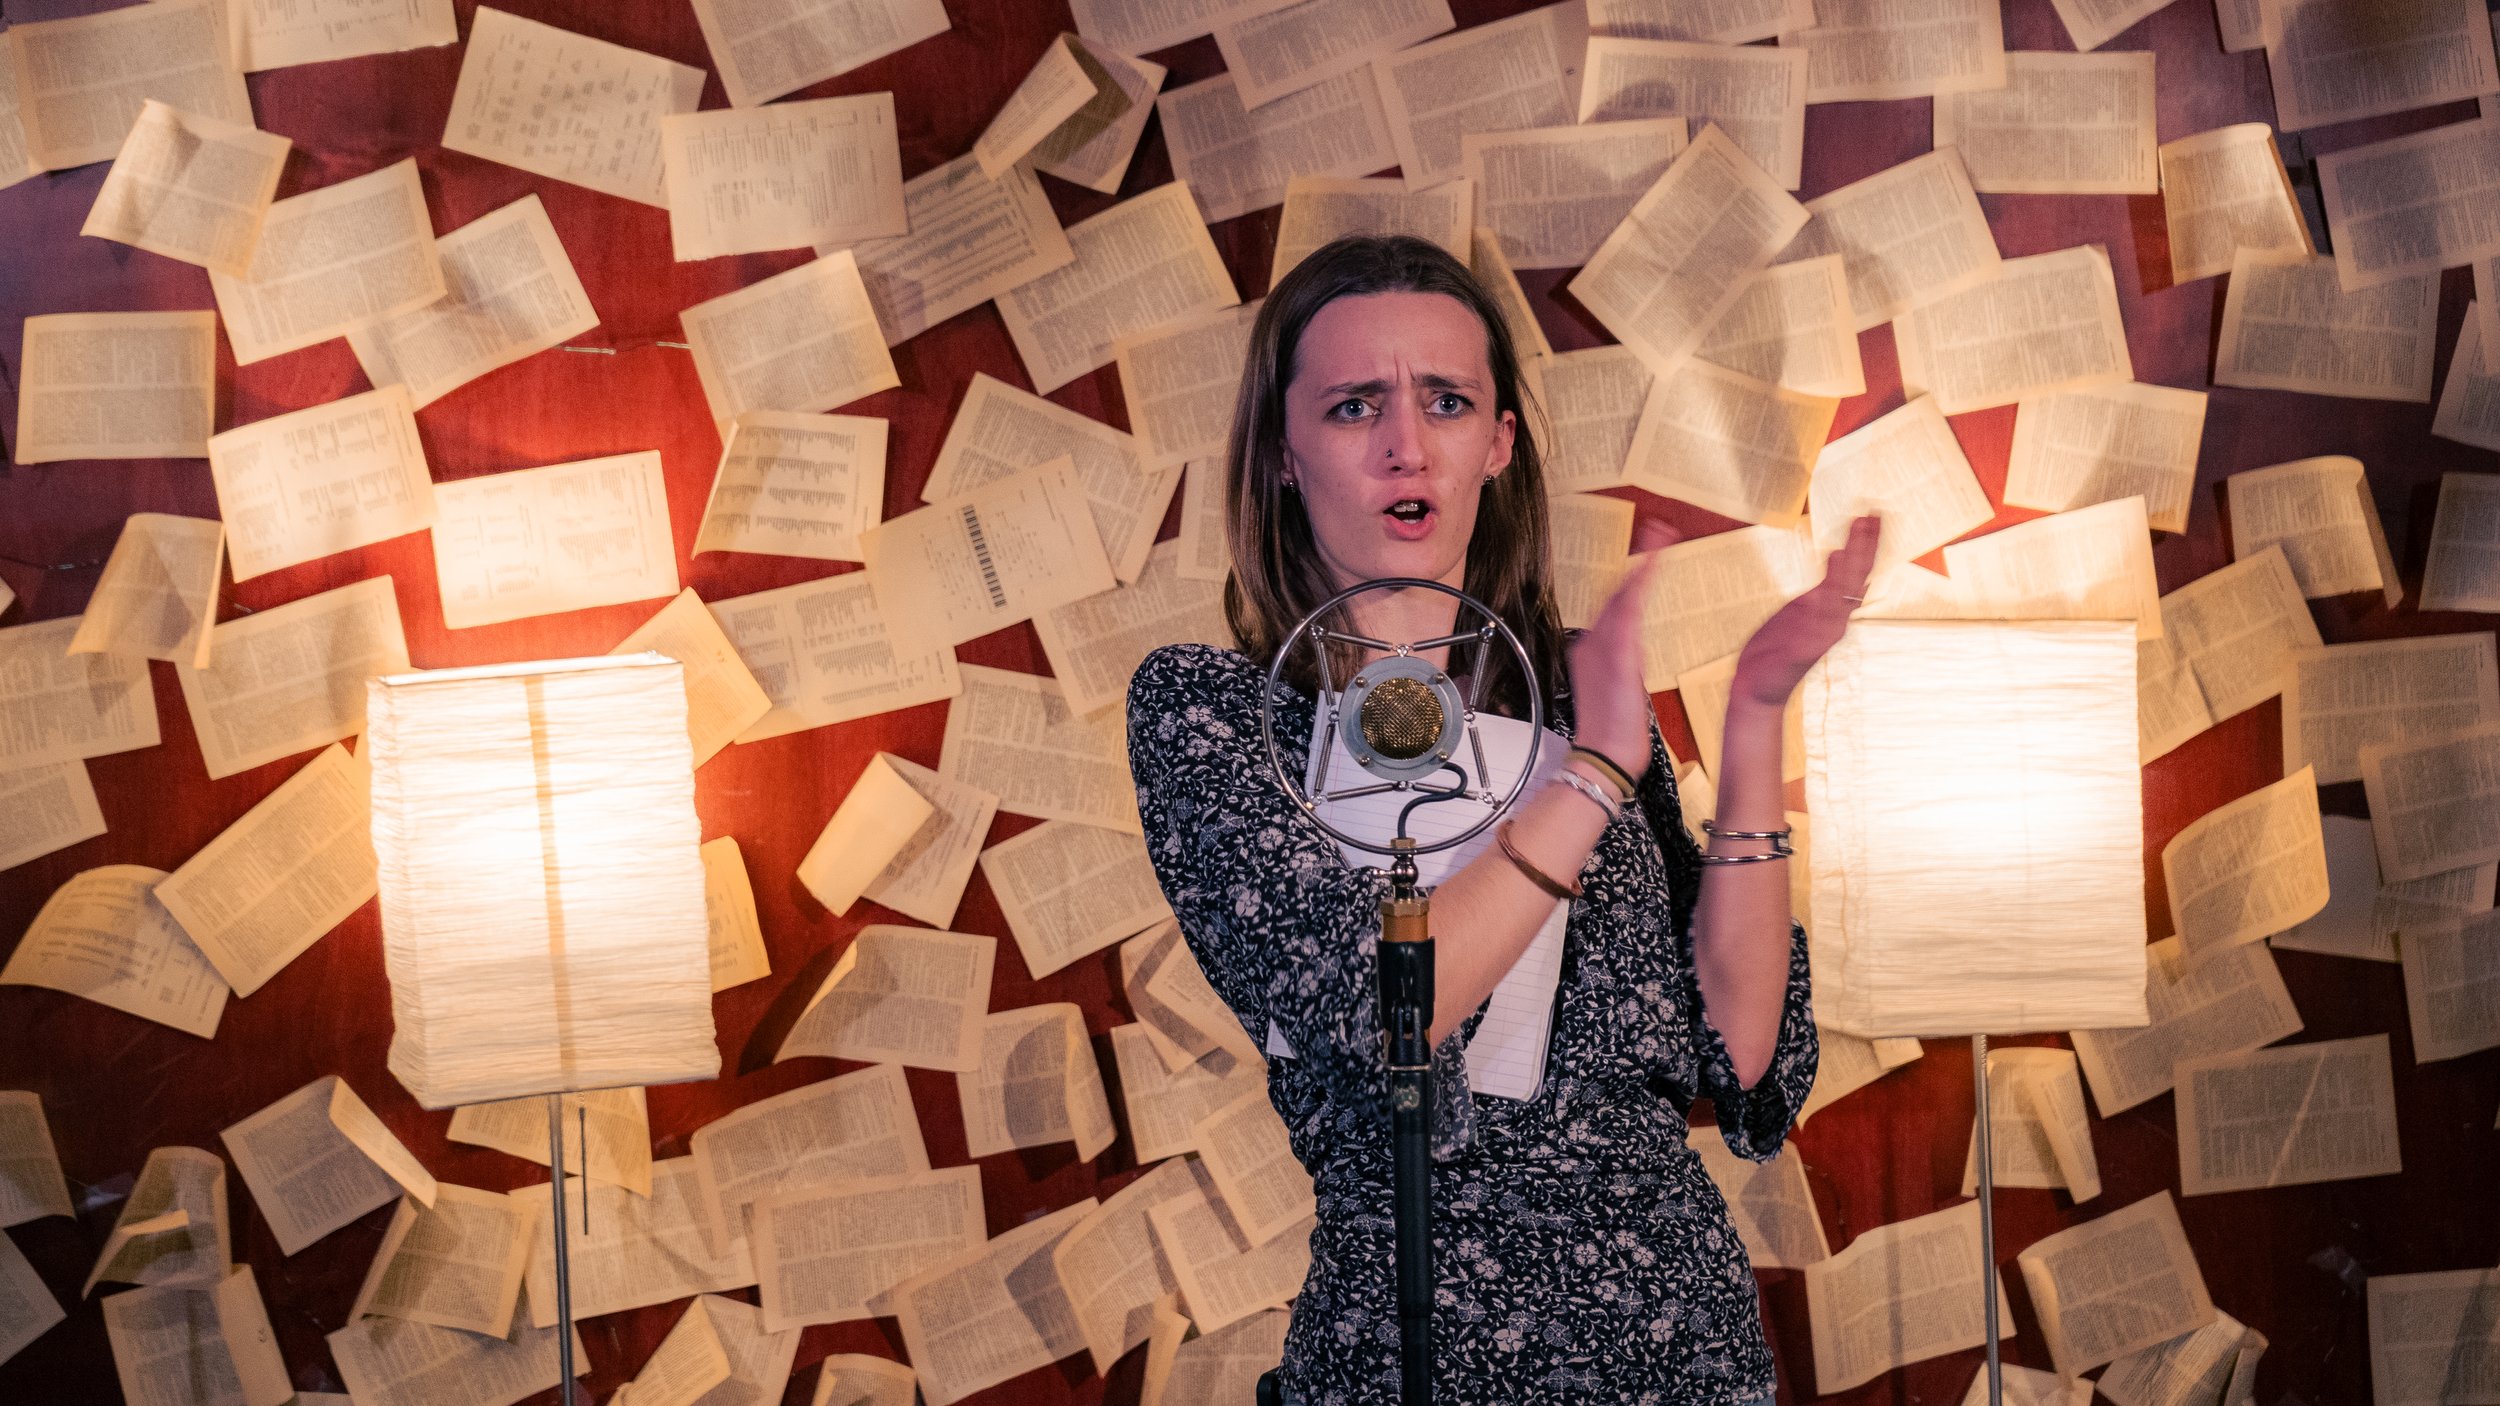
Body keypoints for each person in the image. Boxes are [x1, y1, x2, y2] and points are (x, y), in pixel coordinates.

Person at [1125, 234, 1879, 1404]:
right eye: (1352, 405)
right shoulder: (1218, 717)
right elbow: (1378, 1011)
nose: (1404, 444)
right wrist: (1591, 780)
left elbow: (1740, 1057)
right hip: (1420, 1352)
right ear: (1282, 451)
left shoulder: (1584, 701)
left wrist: (1751, 726)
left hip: (1681, 1350)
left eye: (1446, 400)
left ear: (1498, 443)